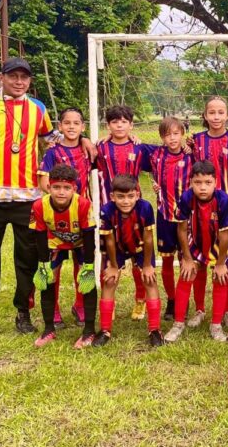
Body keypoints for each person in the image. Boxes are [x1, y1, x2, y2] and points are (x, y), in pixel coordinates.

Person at [0, 57, 94, 338]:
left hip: (27, 198)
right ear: (2, 78)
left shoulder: (37, 108)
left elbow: (53, 139)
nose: (19, 82)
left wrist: (83, 139)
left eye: (24, 77)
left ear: (30, 81)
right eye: (13, 76)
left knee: (27, 257)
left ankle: (23, 312)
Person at [190, 96, 228, 327]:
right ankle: (200, 308)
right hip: (200, 208)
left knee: (226, 258)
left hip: (226, 209)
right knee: (200, 258)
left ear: (227, 115)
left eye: (220, 112)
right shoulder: (194, 141)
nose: (216, 116)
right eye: (211, 112)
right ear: (205, 115)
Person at [164, 160, 228, 343]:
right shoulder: (187, 197)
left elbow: (225, 234)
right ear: (191, 183)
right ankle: (182, 321)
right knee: (187, 274)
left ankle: (216, 324)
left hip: (218, 243)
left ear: (215, 182)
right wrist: (187, 258)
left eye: (207, 183)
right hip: (194, 241)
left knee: (221, 277)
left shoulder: (225, 200)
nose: (203, 187)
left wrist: (220, 264)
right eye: (198, 183)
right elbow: (181, 229)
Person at [29, 164, 97, 349]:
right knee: (48, 280)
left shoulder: (83, 204)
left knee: (86, 281)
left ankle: (89, 331)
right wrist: (43, 264)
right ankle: (49, 329)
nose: (61, 192)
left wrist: (89, 266)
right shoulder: (39, 205)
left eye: (66, 188)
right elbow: (40, 236)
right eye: (56, 187)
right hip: (54, 242)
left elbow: (90, 236)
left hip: (81, 243)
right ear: (48, 187)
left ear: (74, 189)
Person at [37, 107, 92, 327]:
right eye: (66, 123)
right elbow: (43, 182)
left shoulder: (88, 151)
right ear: (60, 126)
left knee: (82, 262)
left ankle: (79, 305)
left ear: (83, 127)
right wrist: (59, 199)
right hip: (57, 219)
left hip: (81, 219)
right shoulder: (52, 152)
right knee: (54, 265)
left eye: (76, 123)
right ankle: (55, 309)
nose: (71, 127)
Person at [95, 175, 164, 348]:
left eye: (130, 196)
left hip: (140, 247)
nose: (126, 201)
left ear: (137, 194)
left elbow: (148, 239)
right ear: (112, 196)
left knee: (150, 280)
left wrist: (147, 265)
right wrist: (113, 265)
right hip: (116, 248)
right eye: (121, 196)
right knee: (110, 281)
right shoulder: (106, 210)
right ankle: (105, 330)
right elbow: (109, 240)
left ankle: (155, 330)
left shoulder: (145, 207)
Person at [95, 105, 150, 322]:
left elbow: (166, 151)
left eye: (124, 121)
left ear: (131, 124)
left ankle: (140, 300)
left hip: (134, 212)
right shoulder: (100, 148)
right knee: (108, 257)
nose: (119, 125)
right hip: (109, 212)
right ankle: (110, 300)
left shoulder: (139, 148)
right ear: (108, 125)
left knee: (139, 257)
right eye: (115, 122)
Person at [144, 117, 193, 322]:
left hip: (186, 218)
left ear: (182, 133)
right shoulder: (155, 155)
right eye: (167, 134)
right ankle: (172, 300)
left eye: (175, 133)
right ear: (161, 137)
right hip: (164, 215)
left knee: (186, 260)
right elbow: (130, 141)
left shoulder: (192, 156)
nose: (171, 138)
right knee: (166, 260)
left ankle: (183, 299)